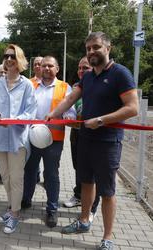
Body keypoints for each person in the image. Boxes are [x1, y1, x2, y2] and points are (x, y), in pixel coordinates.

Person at [46, 32, 138, 250]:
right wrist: (54, 114)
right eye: (88, 49)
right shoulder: (88, 76)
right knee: (86, 183)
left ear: (108, 48)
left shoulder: (120, 73)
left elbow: (132, 108)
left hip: (108, 142)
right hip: (86, 139)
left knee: (107, 191)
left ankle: (107, 238)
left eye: (96, 47)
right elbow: (70, 98)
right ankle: (84, 221)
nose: (91, 52)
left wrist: (101, 120)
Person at [0, 44, 37, 234]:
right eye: (6, 56)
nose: (8, 59)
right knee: (5, 178)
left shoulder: (27, 85)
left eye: (12, 56)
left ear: (19, 60)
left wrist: (14, 121)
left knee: (16, 178)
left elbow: (30, 111)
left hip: (17, 139)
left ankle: (15, 215)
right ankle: (10, 207)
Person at [21, 56, 76, 228]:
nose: (46, 68)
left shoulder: (64, 87)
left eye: (50, 66)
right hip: (32, 138)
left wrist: (68, 116)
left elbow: (71, 111)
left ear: (57, 69)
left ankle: (52, 209)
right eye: (44, 65)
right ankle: (25, 200)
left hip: (54, 140)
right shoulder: (31, 86)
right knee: (29, 171)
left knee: (51, 175)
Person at [63, 56, 100, 223]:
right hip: (77, 133)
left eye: (84, 68)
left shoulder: (98, 86)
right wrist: (67, 116)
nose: (80, 71)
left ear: (92, 68)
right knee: (79, 167)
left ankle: (92, 208)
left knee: (94, 174)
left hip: (95, 135)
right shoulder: (76, 87)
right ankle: (78, 195)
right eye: (79, 68)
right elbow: (69, 106)